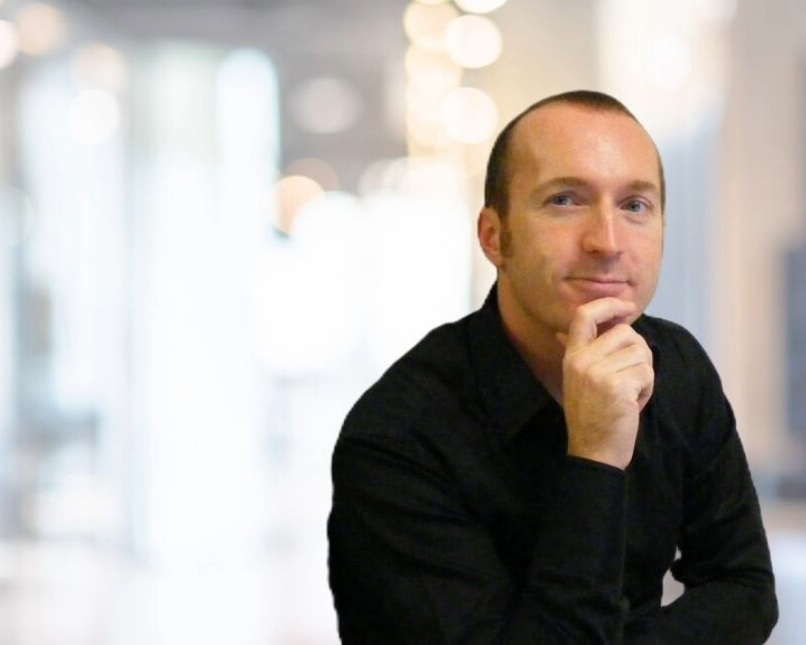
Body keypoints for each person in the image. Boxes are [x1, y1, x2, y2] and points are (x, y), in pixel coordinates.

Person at [327, 90, 778, 643]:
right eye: (565, 200)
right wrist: (595, 456)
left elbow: (744, 587)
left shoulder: (676, 366)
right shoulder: (398, 435)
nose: (607, 242)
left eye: (635, 205)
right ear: (495, 237)